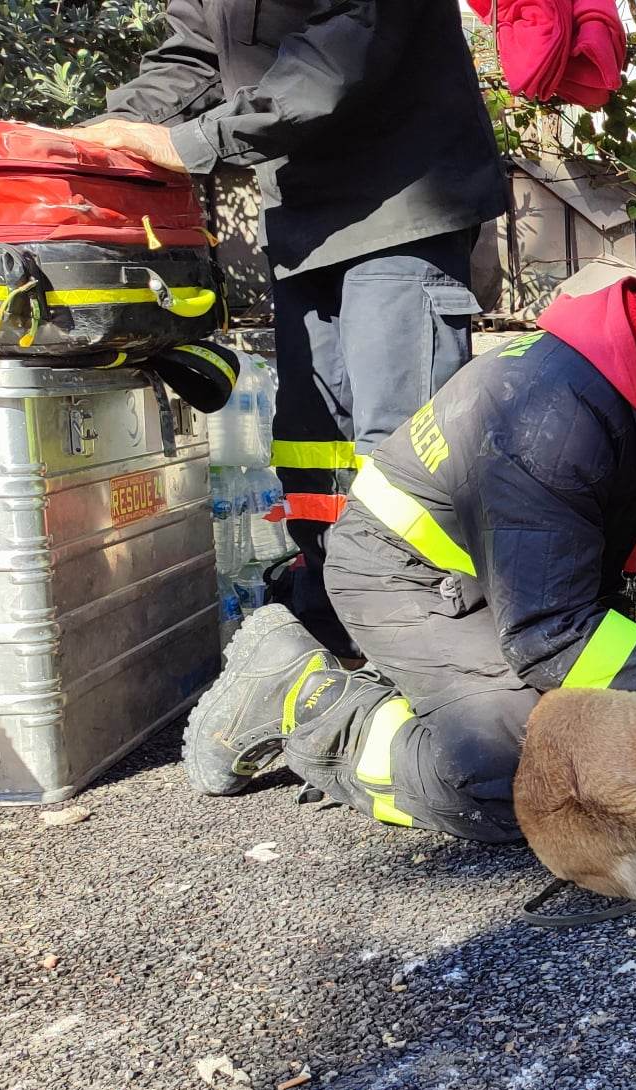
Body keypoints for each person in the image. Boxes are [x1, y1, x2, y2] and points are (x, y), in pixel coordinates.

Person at [179, 224, 636, 840]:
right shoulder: (551, 417)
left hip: (511, 590)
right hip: (406, 580)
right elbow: (551, 634)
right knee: (538, 775)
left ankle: (415, 691)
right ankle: (311, 705)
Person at [62, 0, 507, 656]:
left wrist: (188, 143)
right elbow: (193, 56)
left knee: (400, 451)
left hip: (402, 209)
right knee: (313, 444)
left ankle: (433, 653)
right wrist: (105, 132)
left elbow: (349, 43)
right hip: (303, 221)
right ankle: (338, 628)